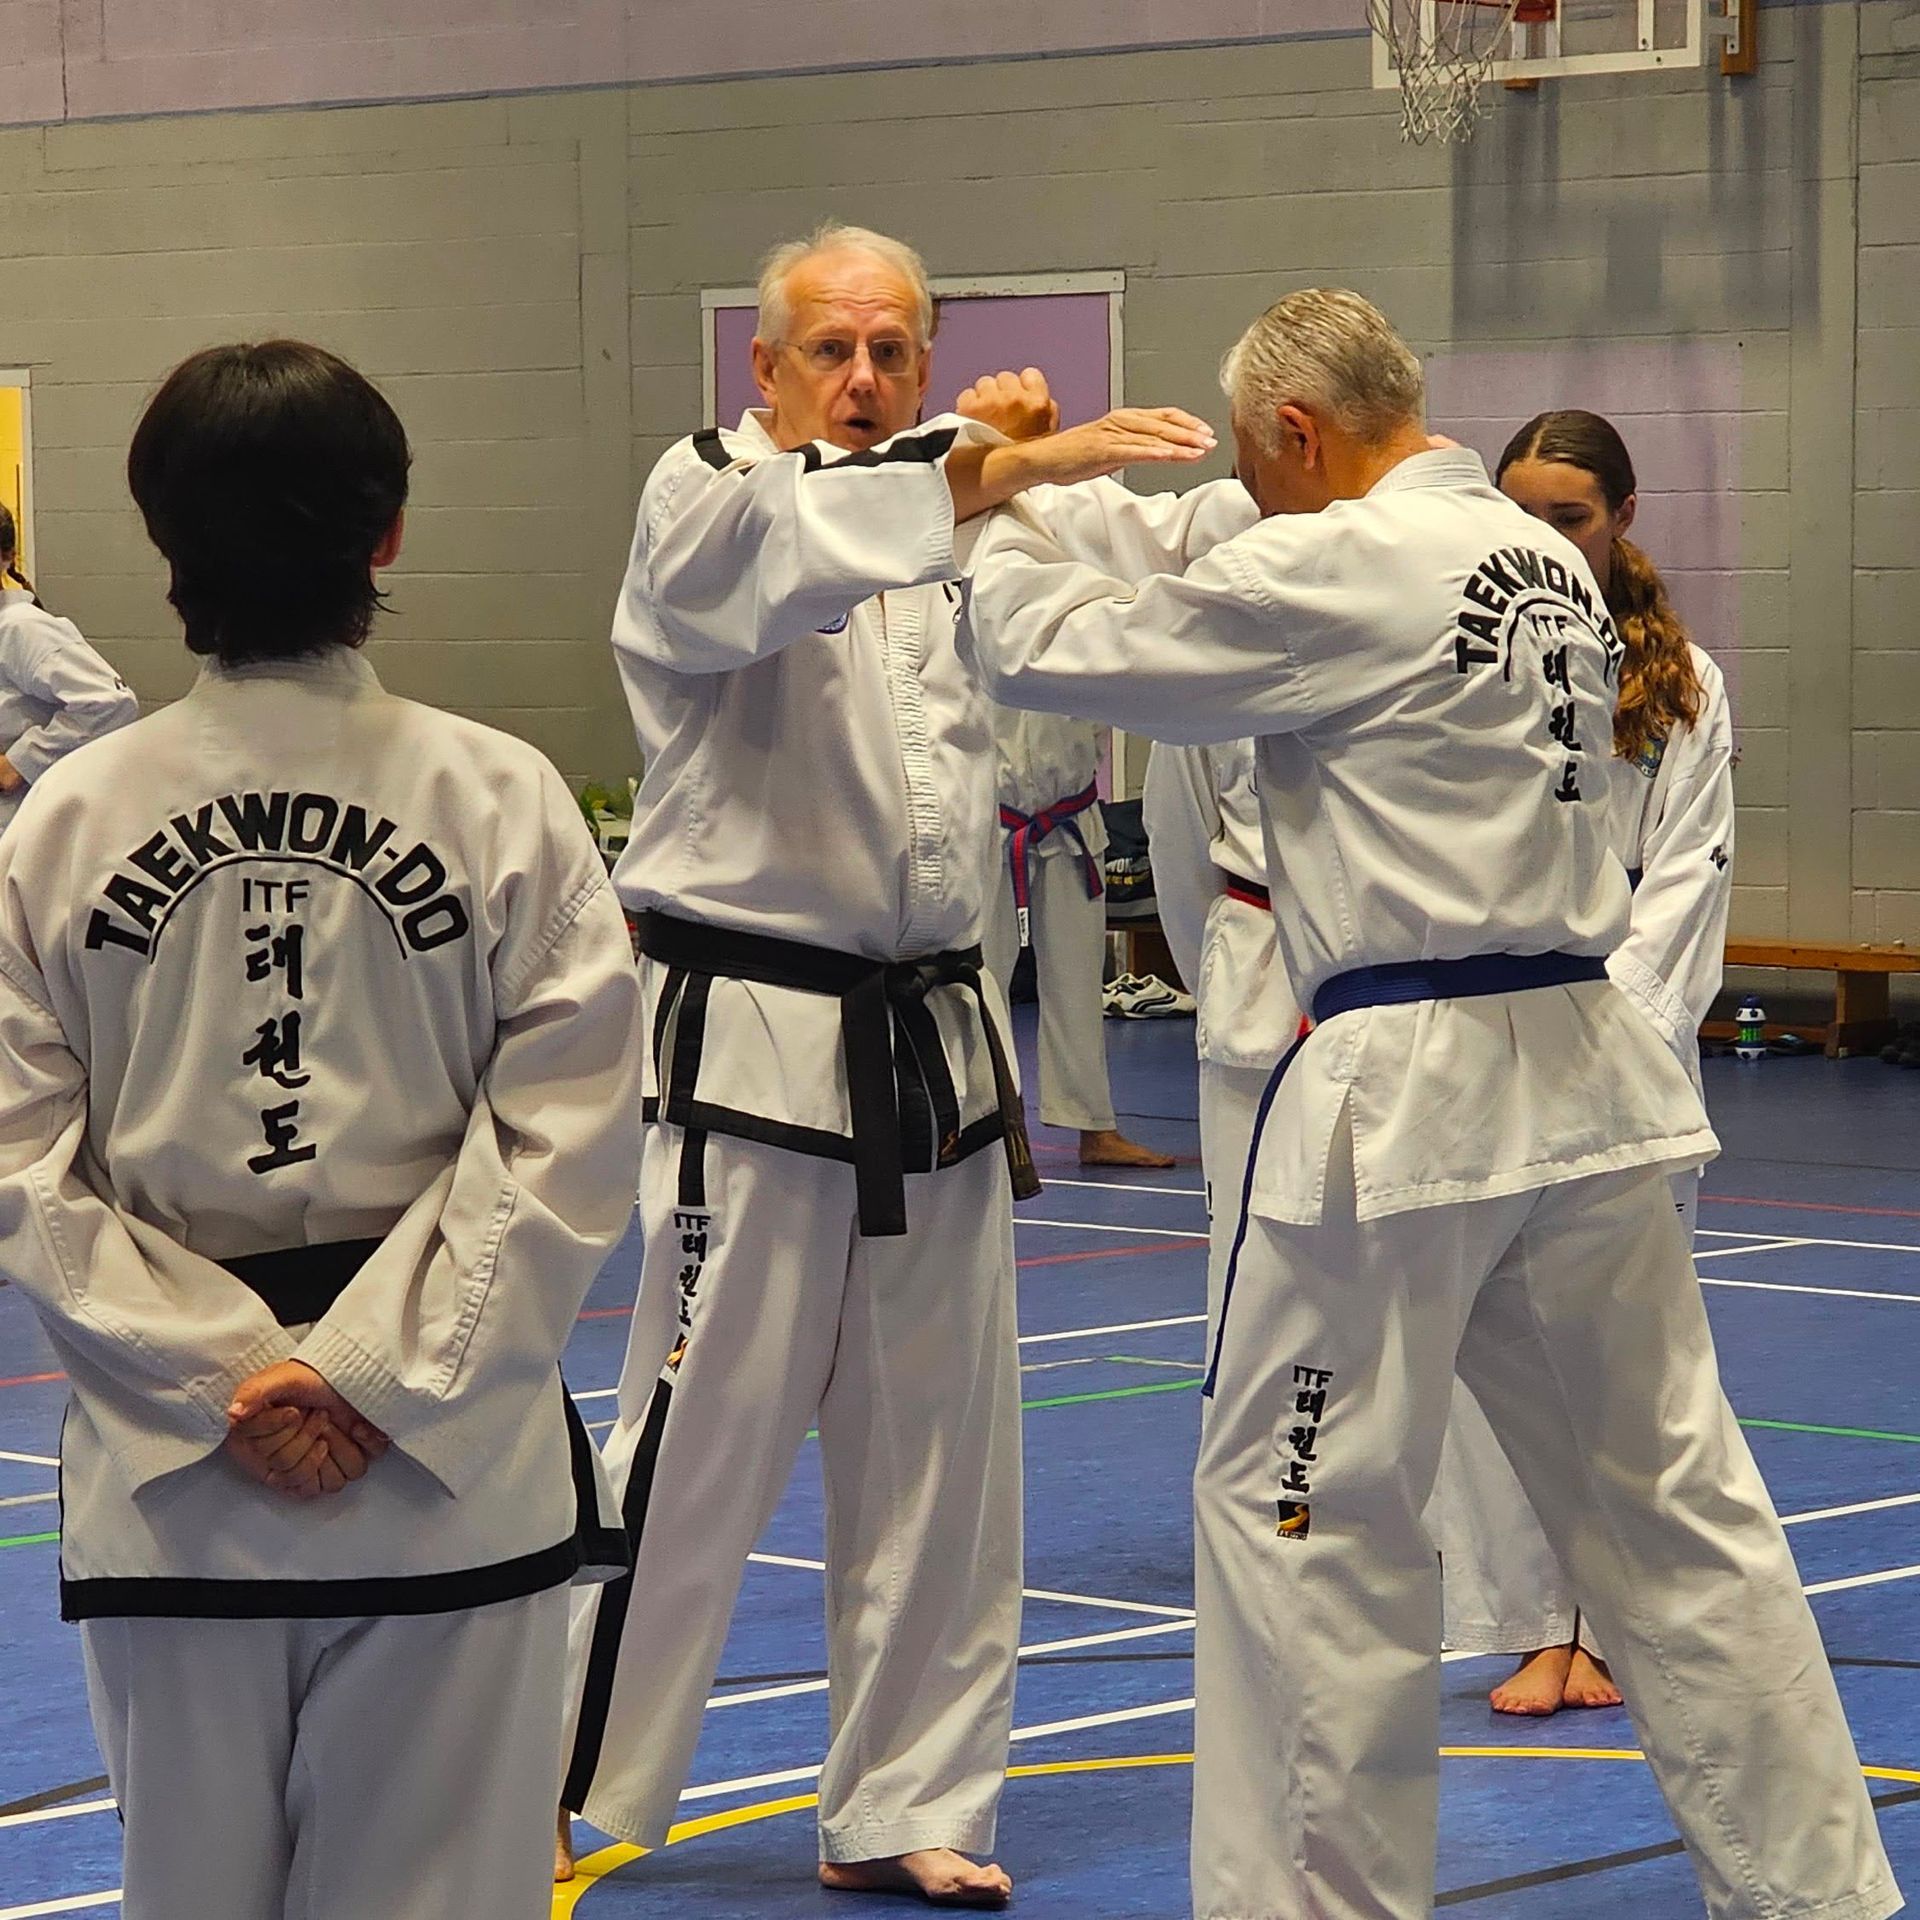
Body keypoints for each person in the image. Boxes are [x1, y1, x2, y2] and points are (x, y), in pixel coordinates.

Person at [963, 288, 1899, 1920]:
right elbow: (1210, 570)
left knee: (1300, 1519)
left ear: (1301, 439)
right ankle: (1820, 1899)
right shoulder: (1536, 560)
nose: (1255, 508)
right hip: (1588, 1090)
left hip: (1403, 1114)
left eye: (1261, 473)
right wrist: (1069, 482)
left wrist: (996, 495)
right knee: (1683, 1529)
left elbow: (1046, 643)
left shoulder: (1340, 564)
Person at [554, 221, 1218, 1907]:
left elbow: (1144, 566)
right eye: (830, 351)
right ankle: (552, 1772)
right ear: (762, 368)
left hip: (935, 1033)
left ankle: (908, 1803)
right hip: (757, 1047)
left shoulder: (953, 512)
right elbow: (804, 549)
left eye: (895, 354)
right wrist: (988, 461)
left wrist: (1043, 476)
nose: (862, 379)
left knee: (945, 1453)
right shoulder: (702, 495)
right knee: (692, 1435)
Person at [0, 340, 643, 1920]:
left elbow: (22, 1171)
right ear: (389, 536)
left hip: (180, 1481)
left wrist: (224, 1376)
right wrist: (366, 1380)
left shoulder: (65, 823)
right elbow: (569, 1140)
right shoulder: (498, 797)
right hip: (446, 1467)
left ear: (163, 548)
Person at [1431, 407, 1739, 1717]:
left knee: (1626, 1360)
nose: (1541, 536)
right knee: (1498, 1348)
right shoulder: (1462, 668)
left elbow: (1684, 880)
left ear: (1618, 524)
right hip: (1488, 1031)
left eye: (1569, 516)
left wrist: (1599, 1020)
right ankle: (1528, 1621)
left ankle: (1615, 1625)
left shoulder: (1684, 686)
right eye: (1518, 513)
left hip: (1623, 1044)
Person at [1142, 739, 1300, 1337]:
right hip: (1263, 984)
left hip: (1418, 986)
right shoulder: (1208, 652)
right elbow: (1176, 835)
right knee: (1254, 1283)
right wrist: (1213, 976)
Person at [986, 704, 1175, 1169]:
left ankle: (1095, 1129)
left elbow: (1097, 713)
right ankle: (989, 1133)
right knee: (982, 985)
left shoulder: (1069, 633)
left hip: (1072, 819)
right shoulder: (964, 632)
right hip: (989, 825)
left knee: (1079, 986)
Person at [0, 501, 139, 836]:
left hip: (18, 827)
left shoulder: (21, 627)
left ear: (7, 557)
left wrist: (20, 761)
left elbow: (110, 703)